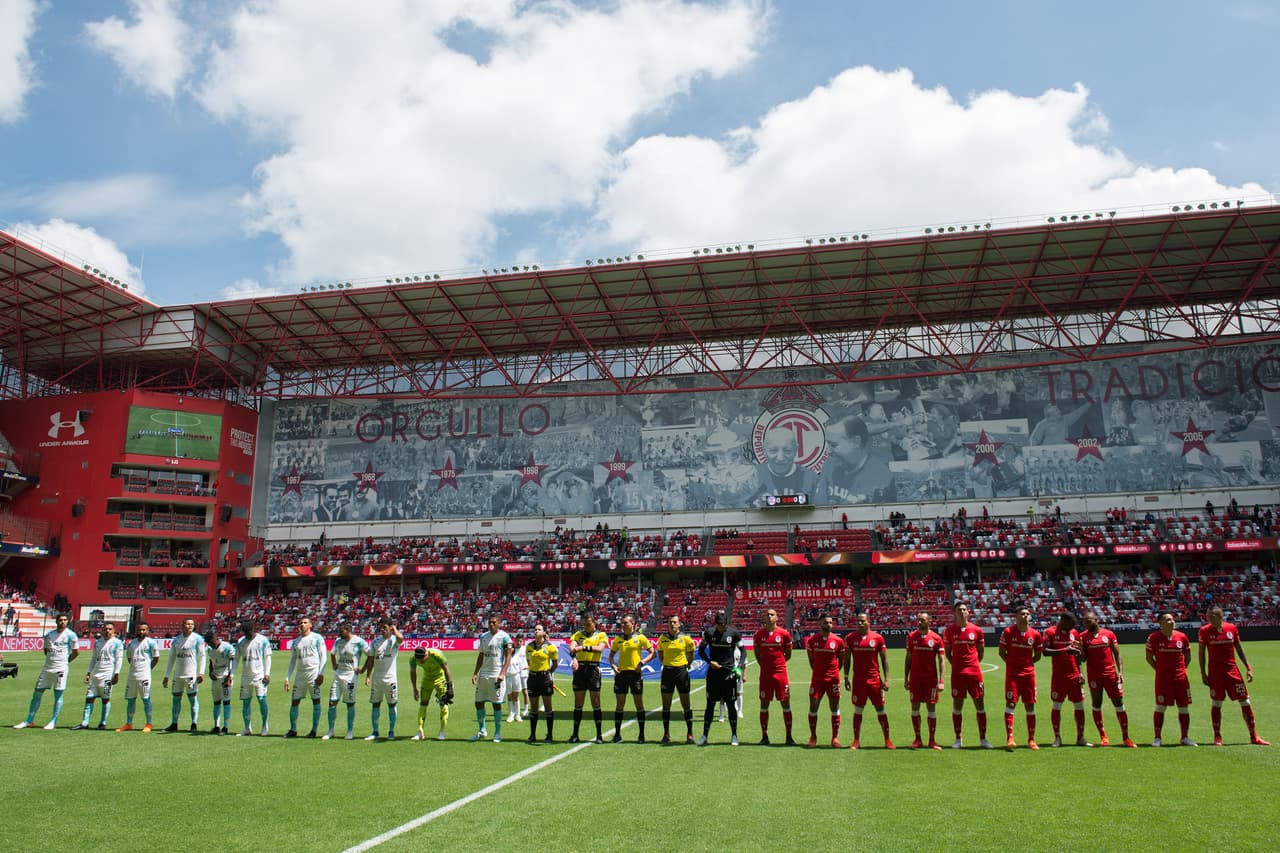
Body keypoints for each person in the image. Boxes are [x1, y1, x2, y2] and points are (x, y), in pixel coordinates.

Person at [1198, 604, 1269, 746]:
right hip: (1216, 674)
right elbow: (1201, 652)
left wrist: (1248, 667)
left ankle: (1253, 736)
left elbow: (1239, 648)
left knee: (1245, 701)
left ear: (1220, 616)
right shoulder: (1204, 630)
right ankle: (1217, 737)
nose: (1209, 619)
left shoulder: (1231, 628)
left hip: (1233, 672)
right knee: (1217, 703)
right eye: (1208, 616)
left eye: (1212, 616)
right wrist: (1203, 673)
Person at [1079, 612, 1135, 747]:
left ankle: (1126, 737)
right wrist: (1080, 649)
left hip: (1110, 674)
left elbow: (1117, 653)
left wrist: (1120, 672)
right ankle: (1103, 736)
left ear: (1096, 620)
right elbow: (1083, 659)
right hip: (1094, 676)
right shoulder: (1082, 637)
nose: (1086, 623)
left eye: (1089, 620)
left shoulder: (1108, 634)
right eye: (1084, 621)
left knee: (1118, 703)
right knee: (1097, 703)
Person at [14, 613, 78, 730]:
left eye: (65, 620)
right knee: (37, 692)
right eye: (60, 620)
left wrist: (65, 662)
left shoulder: (71, 635)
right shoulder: (49, 635)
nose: (62, 622)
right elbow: (46, 650)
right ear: (56, 621)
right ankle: (29, 720)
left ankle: (53, 721)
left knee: (58, 694)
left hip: (61, 669)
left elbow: (76, 652)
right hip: (47, 667)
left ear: (67, 622)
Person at [842, 612, 894, 749]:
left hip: (874, 680)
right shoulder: (850, 638)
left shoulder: (877, 638)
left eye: (862, 621)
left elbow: (884, 660)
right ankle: (856, 741)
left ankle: (887, 740)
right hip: (858, 680)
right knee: (858, 710)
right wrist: (846, 677)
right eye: (858, 621)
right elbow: (846, 660)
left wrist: (887, 679)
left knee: (880, 709)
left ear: (869, 622)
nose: (859, 623)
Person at [944, 602, 993, 749]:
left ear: (968, 612)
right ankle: (958, 739)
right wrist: (957, 665)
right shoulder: (949, 631)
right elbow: (948, 653)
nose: (962, 612)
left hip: (974, 673)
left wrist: (973, 665)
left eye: (964, 609)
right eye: (959, 610)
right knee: (957, 705)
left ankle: (983, 739)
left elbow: (981, 652)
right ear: (955, 612)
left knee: (980, 704)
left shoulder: (976, 630)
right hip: (958, 673)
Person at [1146, 612, 1196, 747]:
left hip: (1181, 678)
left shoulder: (1182, 637)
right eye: (1168, 620)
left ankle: (1185, 737)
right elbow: (1149, 658)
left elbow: (1188, 657)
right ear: (1160, 623)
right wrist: (1160, 670)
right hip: (1163, 679)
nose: (1172, 622)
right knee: (1161, 707)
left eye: (1172, 619)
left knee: (1184, 707)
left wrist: (1181, 670)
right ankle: (1157, 738)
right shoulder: (1153, 638)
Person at [998, 605, 1043, 750]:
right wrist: (1011, 664)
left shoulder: (1035, 634)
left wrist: (1027, 664)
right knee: (1011, 704)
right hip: (1013, 676)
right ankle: (1010, 737)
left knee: (1030, 705)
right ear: (1016, 617)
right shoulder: (1008, 632)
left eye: (1027, 614)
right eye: (1022, 614)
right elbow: (1002, 652)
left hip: (1029, 676)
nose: (1025, 616)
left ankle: (1031, 739)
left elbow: (1037, 656)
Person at [1042, 612, 1089, 747]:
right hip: (1058, 676)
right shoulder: (1049, 632)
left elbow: (1078, 655)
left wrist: (1081, 673)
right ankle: (1057, 738)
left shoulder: (1074, 632)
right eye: (1070, 625)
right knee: (1057, 705)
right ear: (1062, 621)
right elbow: (1045, 651)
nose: (1071, 628)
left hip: (1074, 675)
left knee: (1079, 705)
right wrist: (1064, 650)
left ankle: (1080, 737)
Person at [698, 610, 743, 746]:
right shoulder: (709, 633)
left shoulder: (734, 634)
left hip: (729, 675)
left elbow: (744, 651)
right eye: (718, 625)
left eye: (722, 625)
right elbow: (701, 651)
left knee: (730, 705)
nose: (720, 627)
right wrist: (709, 661)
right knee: (710, 705)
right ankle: (705, 735)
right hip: (713, 675)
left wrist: (739, 666)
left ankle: (734, 735)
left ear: (726, 623)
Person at [609, 614, 654, 743]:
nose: (623, 626)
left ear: (633, 624)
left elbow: (652, 653)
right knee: (619, 705)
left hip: (635, 675)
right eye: (622, 623)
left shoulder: (640, 637)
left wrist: (642, 663)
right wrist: (613, 665)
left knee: (639, 704)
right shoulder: (618, 639)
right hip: (621, 675)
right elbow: (611, 655)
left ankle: (641, 735)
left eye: (625, 623)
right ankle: (617, 735)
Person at [752, 607, 795, 745]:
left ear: (777, 618)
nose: (769, 616)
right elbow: (757, 654)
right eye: (767, 615)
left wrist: (779, 665)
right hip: (765, 675)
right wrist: (765, 666)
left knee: (785, 704)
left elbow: (788, 654)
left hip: (781, 674)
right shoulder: (758, 635)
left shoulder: (784, 634)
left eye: (772, 614)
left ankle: (789, 737)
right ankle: (765, 737)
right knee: (764, 704)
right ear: (764, 618)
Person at [904, 611, 946, 750]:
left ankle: (932, 740)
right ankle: (917, 739)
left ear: (929, 621)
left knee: (931, 707)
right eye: (918, 620)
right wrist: (906, 678)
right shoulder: (911, 637)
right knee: (915, 707)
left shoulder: (936, 638)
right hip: (915, 679)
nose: (919, 622)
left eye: (922, 620)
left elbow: (941, 661)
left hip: (931, 680)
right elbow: (908, 658)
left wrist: (941, 680)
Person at [804, 613, 846, 748]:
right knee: (813, 706)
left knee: (834, 707)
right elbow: (811, 660)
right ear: (820, 624)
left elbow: (842, 660)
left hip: (833, 679)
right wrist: (818, 671)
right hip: (817, 679)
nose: (829, 625)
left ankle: (835, 738)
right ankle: (813, 736)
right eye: (826, 622)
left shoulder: (838, 641)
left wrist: (834, 672)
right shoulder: (812, 641)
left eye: (831, 622)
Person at [470, 613, 513, 743]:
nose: (492, 624)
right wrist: (475, 673)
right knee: (478, 702)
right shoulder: (483, 637)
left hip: (496, 674)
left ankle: (497, 733)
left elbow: (508, 657)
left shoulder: (505, 637)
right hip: (484, 675)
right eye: (490, 622)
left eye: (494, 622)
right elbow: (481, 655)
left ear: (499, 623)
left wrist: (502, 673)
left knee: (496, 704)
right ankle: (482, 730)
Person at [72, 623, 123, 731]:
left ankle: (103, 723)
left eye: (110, 629)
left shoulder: (117, 643)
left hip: (108, 674)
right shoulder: (98, 642)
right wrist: (88, 673)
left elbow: (119, 659)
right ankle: (85, 723)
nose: (107, 631)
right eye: (105, 629)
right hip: (96, 675)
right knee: (89, 698)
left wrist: (116, 674)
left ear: (113, 631)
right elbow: (94, 658)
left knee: (105, 699)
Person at [568, 613, 608, 743]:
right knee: (578, 703)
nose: (586, 626)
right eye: (584, 624)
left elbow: (600, 648)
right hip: (580, 670)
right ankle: (575, 734)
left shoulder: (601, 635)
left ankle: (599, 735)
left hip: (593, 669)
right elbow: (572, 648)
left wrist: (583, 648)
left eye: (588, 624)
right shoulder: (578, 635)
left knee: (595, 703)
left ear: (594, 623)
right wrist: (574, 658)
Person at [656, 614, 697, 744]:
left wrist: (686, 666)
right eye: (670, 622)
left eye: (675, 622)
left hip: (681, 672)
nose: (672, 624)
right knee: (666, 705)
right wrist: (668, 664)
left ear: (679, 624)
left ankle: (690, 733)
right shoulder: (662, 639)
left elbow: (691, 654)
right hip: (667, 672)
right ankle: (666, 734)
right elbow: (660, 655)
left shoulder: (685, 638)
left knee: (686, 704)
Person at [161, 617, 206, 733]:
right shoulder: (176, 640)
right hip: (177, 675)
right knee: (176, 700)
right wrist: (166, 675)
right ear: (182, 625)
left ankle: (194, 724)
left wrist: (201, 672)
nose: (190, 626)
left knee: (192, 700)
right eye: (187, 624)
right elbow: (171, 659)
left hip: (191, 675)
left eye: (192, 624)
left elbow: (202, 656)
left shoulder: (198, 639)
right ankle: (174, 723)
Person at [284, 617, 326, 738]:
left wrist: (321, 673)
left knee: (316, 701)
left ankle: (314, 730)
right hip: (300, 675)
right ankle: (293, 729)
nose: (302, 624)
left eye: (305, 622)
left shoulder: (317, 638)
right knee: (295, 701)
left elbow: (323, 656)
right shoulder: (296, 641)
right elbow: (292, 661)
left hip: (313, 673)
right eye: (301, 623)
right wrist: (287, 677)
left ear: (310, 625)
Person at [325, 622, 369, 740]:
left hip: (351, 677)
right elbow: (332, 653)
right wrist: (335, 665)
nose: (339, 632)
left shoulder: (359, 642)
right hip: (338, 675)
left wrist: (363, 669)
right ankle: (330, 730)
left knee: (350, 704)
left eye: (341, 630)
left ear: (348, 630)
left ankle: (349, 731)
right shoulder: (338, 641)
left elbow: (370, 655)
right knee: (332, 703)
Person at [363, 617, 403, 740]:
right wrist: (368, 676)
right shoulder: (375, 642)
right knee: (375, 705)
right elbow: (371, 660)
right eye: (381, 627)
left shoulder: (394, 640)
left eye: (385, 627)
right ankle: (375, 731)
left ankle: (391, 731)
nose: (382, 630)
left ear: (390, 628)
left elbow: (401, 638)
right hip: (377, 678)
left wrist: (394, 628)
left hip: (390, 679)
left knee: (392, 705)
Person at [117, 621, 161, 732]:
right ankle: (129, 723)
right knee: (131, 700)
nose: (141, 632)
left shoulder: (151, 643)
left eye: (143, 630)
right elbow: (129, 658)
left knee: (146, 699)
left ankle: (149, 724)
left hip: (144, 675)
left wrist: (147, 668)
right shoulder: (131, 643)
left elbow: (156, 658)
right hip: (132, 675)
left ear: (147, 631)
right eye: (139, 629)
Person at [236, 621, 272, 736]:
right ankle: (247, 728)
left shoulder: (262, 640)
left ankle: (265, 726)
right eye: (245, 633)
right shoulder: (240, 642)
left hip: (259, 675)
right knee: (246, 702)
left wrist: (267, 674)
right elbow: (236, 660)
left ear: (253, 629)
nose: (248, 635)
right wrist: (231, 675)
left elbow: (267, 657)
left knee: (262, 700)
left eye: (249, 632)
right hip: (246, 676)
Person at [410, 645, 453, 741]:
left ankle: (442, 732)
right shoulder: (413, 659)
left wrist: (450, 686)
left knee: (443, 704)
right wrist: (414, 688)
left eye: (423, 659)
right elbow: (413, 672)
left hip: (440, 679)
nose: (422, 662)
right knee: (423, 704)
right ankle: (420, 731)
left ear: (426, 654)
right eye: (420, 660)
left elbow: (446, 669)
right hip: (427, 680)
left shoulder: (436, 654)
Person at [524, 625, 559, 743]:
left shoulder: (550, 647)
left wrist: (549, 673)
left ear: (544, 632)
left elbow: (555, 663)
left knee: (548, 707)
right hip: (533, 678)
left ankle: (549, 735)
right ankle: (532, 735)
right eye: (535, 629)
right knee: (533, 708)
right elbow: (529, 661)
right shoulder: (529, 647)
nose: (536, 631)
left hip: (545, 679)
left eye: (539, 629)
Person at [204, 628, 236, 735]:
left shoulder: (227, 647)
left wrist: (229, 676)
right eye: (209, 643)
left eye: (212, 642)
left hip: (226, 677)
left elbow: (233, 662)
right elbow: (211, 661)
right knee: (216, 702)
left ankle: (225, 727)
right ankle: (216, 726)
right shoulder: (209, 649)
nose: (211, 645)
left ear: (216, 638)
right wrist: (210, 672)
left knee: (226, 702)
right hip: (216, 678)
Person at [505, 633, 529, 723]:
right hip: (507, 678)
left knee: (516, 696)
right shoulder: (506, 657)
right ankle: (510, 714)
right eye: (508, 649)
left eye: (511, 649)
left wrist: (527, 667)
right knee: (509, 696)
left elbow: (524, 666)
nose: (509, 650)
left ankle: (518, 715)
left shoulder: (517, 656)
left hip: (516, 677)